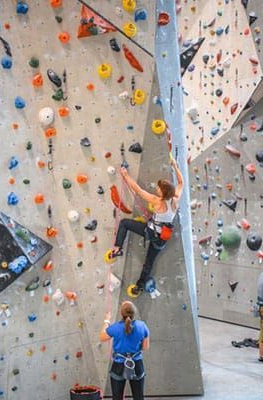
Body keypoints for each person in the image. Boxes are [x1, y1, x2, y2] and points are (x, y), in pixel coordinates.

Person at [108, 158, 183, 295]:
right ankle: (140, 286)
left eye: (159, 188)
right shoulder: (175, 200)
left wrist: (125, 175)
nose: (156, 188)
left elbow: (138, 190)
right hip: (162, 239)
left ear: (163, 193)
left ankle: (118, 248)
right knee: (148, 262)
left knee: (125, 223)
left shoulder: (158, 202)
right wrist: (176, 166)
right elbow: (181, 183)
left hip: (151, 232)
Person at [99, 301, 149, 400]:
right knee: (139, 397)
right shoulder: (142, 326)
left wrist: (107, 321)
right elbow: (145, 347)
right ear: (134, 312)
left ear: (121, 313)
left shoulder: (115, 328)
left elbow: (102, 337)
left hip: (119, 365)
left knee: (117, 397)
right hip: (137, 364)